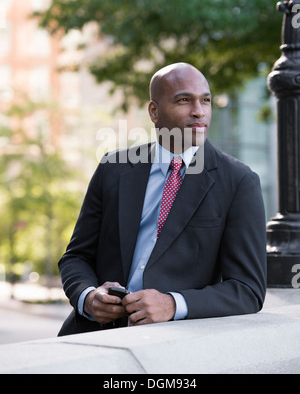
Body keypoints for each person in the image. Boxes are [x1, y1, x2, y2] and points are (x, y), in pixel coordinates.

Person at [58, 62, 266, 336]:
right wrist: (87, 297)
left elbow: (247, 289)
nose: (199, 112)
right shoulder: (113, 168)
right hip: (93, 335)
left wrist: (173, 304)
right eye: (184, 100)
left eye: (206, 100)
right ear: (154, 111)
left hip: (173, 346)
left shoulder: (239, 181)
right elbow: (76, 257)